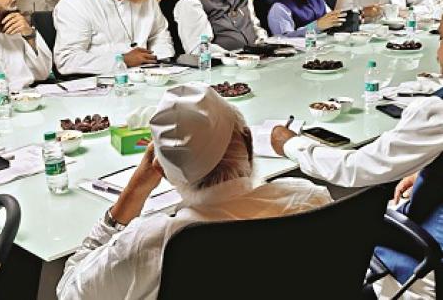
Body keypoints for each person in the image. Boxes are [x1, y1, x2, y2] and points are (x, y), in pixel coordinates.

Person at [57, 83, 332, 299]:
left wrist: (133, 193)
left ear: (161, 171)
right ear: (248, 143)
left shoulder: (149, 243)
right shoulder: (310, 200)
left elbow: (69, 291)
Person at [270, 39, 443, 299]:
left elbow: (357, 169)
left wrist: (290, 145)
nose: (438, 52)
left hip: (424, 266)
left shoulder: (437, 113)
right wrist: (426, 167)